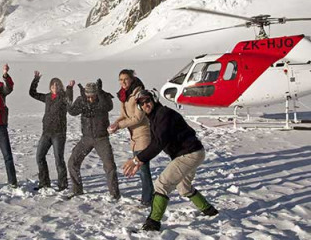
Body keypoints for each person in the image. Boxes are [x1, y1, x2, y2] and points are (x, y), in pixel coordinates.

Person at [123, 89, 218, 231]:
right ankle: (210, 211)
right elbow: (155, 141)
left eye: (147, 100)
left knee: (161, 184)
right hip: (193, 153)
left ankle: (152, 223)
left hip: (189, 154)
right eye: (141, 103)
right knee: (183, 188)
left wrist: (136, 159)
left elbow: (159, 142)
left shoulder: (163, 114)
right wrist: (141, 161)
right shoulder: (155, 117)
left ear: (154, 100)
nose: (145, 105)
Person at [67, 79, 121, 200]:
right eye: (88, 96)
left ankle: (114, 194)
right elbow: (71, 111)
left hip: (101, 138)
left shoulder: (103, 99)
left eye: (93, 96)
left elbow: (108, 106)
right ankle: (77, 190)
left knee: (109, 166)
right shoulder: (82, 100)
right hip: (86, 138)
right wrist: (69, 91)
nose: (90, 99)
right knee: (72, 163)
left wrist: (101, 93)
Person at [108, 69, 154, 206]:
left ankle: (147, 200)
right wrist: (116, 123)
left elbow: (138, 118)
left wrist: (120, 126)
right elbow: (125, 115)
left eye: (126, 79)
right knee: (141, 169)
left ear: (132, 79)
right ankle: (148, 197)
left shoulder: (139, 94)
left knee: (143, 169)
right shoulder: (124, 95)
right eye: (120, 80)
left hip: (143, 134)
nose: (123, 82)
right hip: (134, 137)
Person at [29, 71, 75, 191]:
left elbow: (70, 101)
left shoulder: (64, 97)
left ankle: (62, 185)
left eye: (57, 85)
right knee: (39, 156)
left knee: (58, 159)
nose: (55, 87)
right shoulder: (47, 97)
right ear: (50, 87)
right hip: (46, 132)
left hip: (59, 133)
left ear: (60, 87)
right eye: (53, 85)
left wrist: (70, 88)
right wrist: (36, 80)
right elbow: (32, 93)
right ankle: (44, 182)